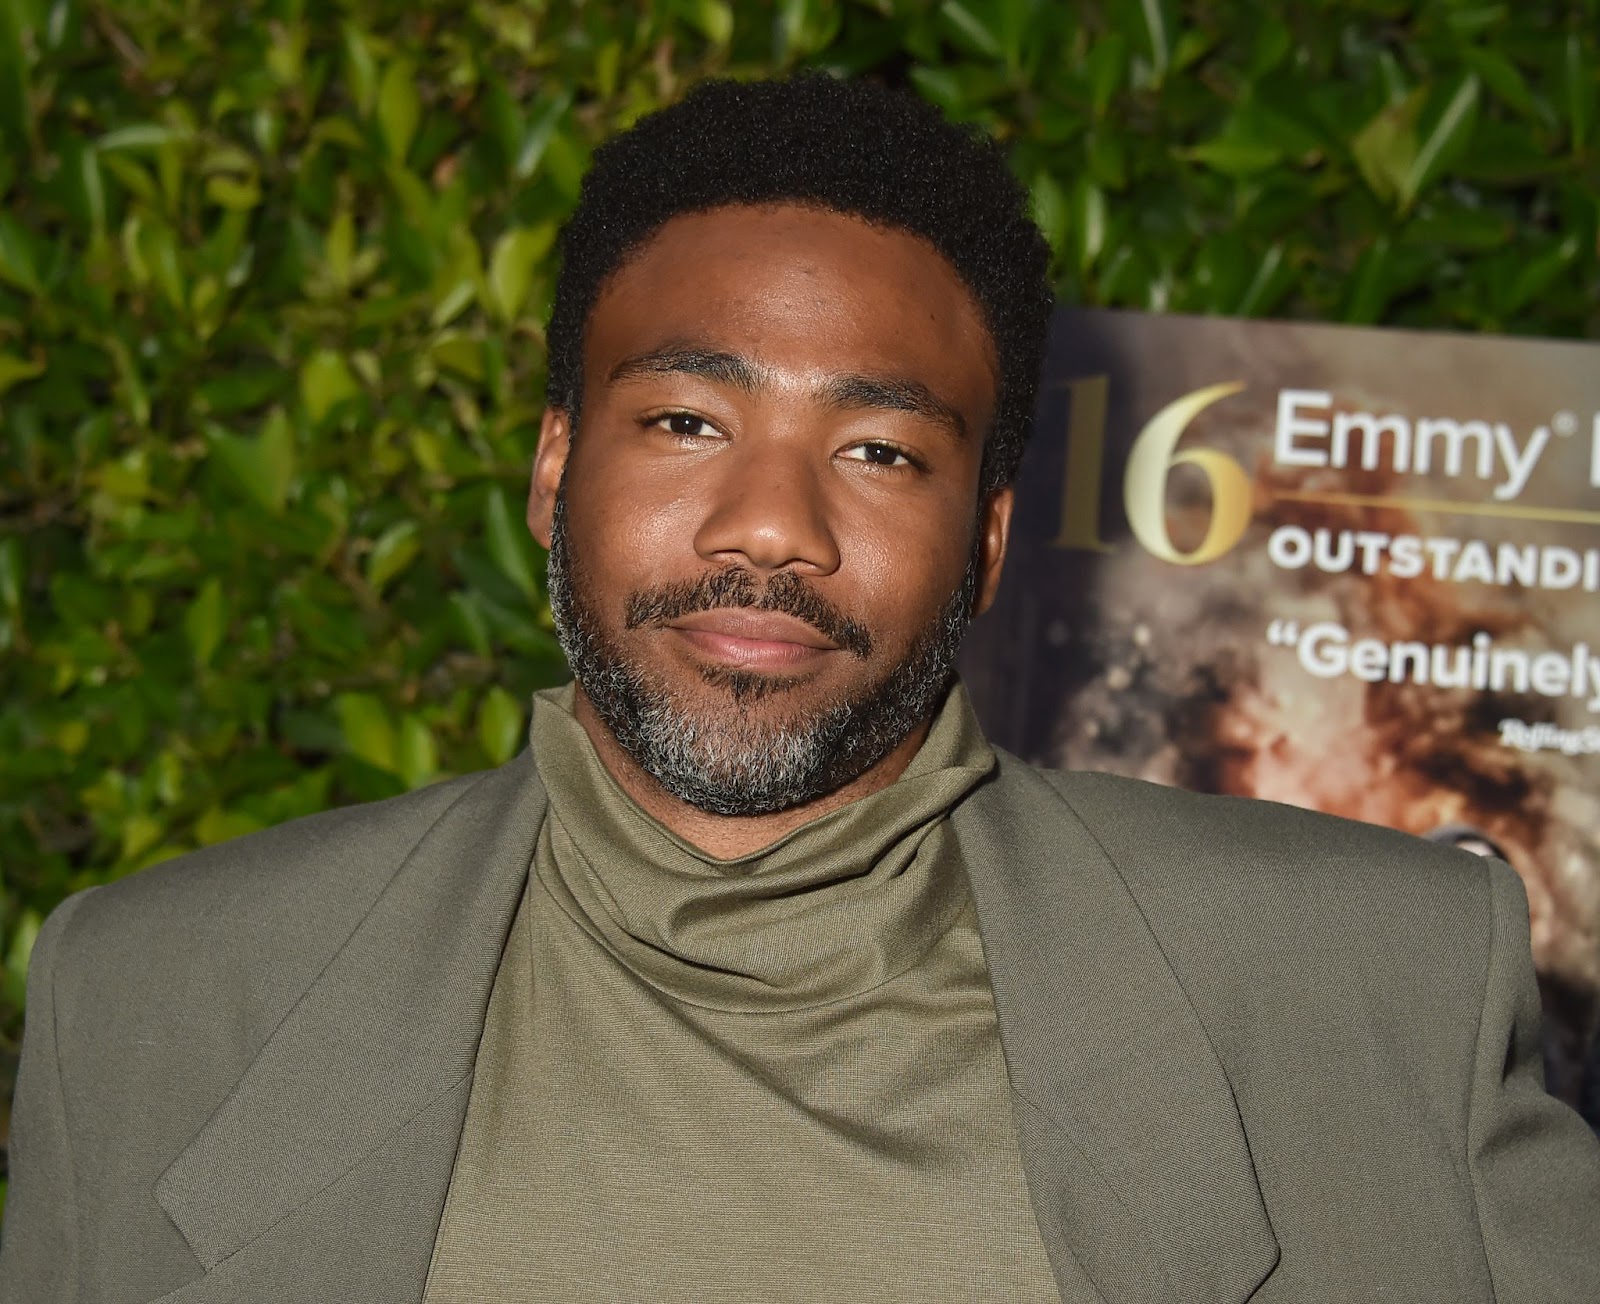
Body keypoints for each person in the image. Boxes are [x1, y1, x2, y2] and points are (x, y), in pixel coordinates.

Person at [3, 73, 1597, 1304]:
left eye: (880, 449)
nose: (773, 523)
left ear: (983, 540)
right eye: (689, 420)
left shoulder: (1365, 983)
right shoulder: (156, 999)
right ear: (556, 464)